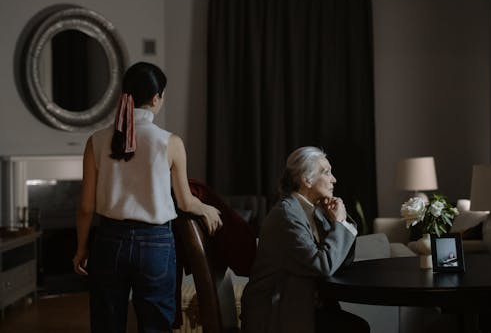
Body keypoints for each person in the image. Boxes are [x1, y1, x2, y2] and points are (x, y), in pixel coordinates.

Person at [73, 62, 223, 333]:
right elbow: (186, 202)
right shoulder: (170, 142)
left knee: (107, 325)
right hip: (155, 244)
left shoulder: (95, 140)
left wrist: (81, 248)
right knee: (156, 326)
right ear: (156, 98)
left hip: (108, 241)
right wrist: (207, 209)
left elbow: (86, 207)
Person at [240, 146, 369, 333]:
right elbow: (322, 265)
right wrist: (339, 222)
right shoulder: (287, 215)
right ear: (306, 179)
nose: (334, 179)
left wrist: (335, 221)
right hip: (277, 314)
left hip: (304, 306)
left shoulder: (314, 211)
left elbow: (341, 262)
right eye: (326, 173)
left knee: (356, 327)